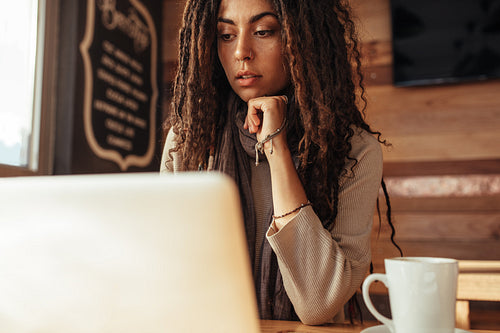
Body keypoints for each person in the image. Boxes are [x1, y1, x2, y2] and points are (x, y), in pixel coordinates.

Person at [160, 0, 391, 325]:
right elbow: (166, 277)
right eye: (226, 35)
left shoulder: (355, 152)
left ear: (303, 39)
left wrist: (276, 148)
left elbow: (318, 302)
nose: (241, 51)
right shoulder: (190, 141)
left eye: (263, 31)